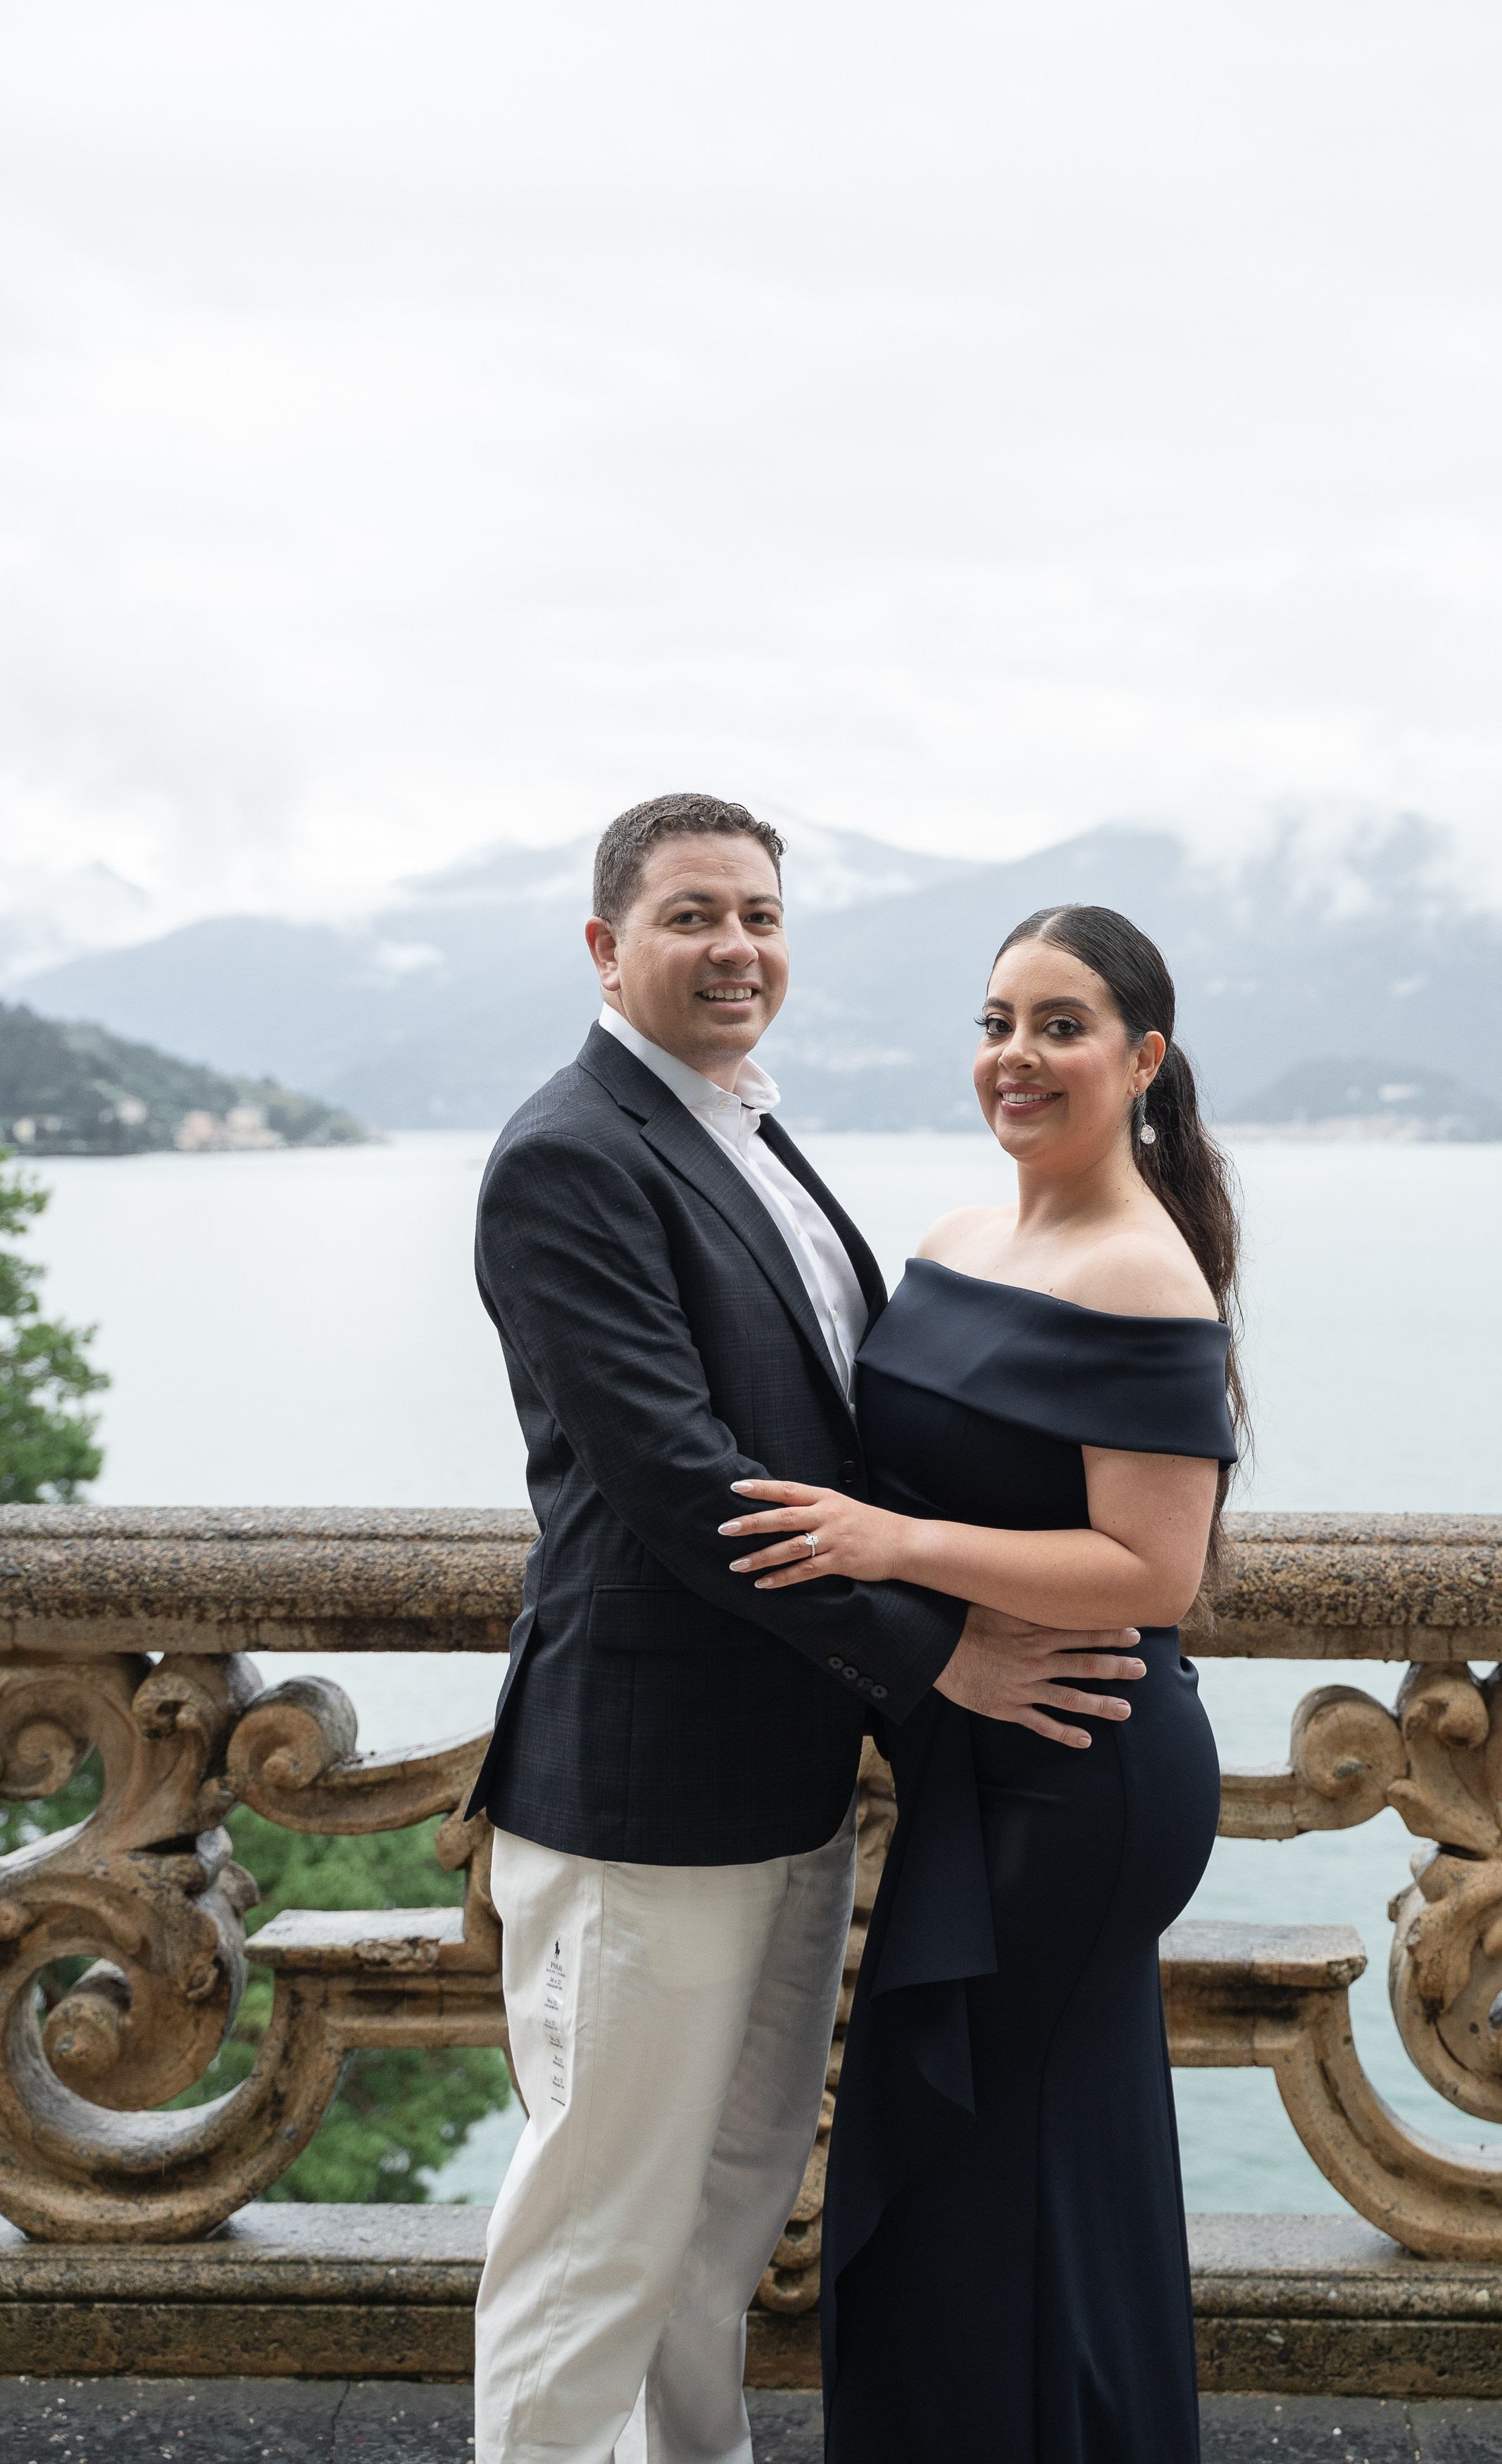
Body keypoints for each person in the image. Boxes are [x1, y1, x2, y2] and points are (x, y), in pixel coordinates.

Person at [467, 796, 1145, 2464]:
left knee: (718, 2229)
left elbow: (840, 1442)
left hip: (788, 1779)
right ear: (604, 946)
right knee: (595, 2243)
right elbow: (684, 1480)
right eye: (691, 915)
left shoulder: (742, 1130)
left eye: (759, 914)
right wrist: (945, 1656)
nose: (735, 947)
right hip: (641, 1796)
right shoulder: (570, 1152)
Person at [718, 903, 1241, 2463]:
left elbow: (1152, 1569)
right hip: (980, 1746)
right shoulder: (956, 1241)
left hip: (1078, 1760)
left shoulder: (1145, 1277)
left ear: (1140, 1059)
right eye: (996, 1020)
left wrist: (894, 1540)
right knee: (1000, 2166)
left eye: (1059, 1025)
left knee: (993, 2163)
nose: (1015, 1056)